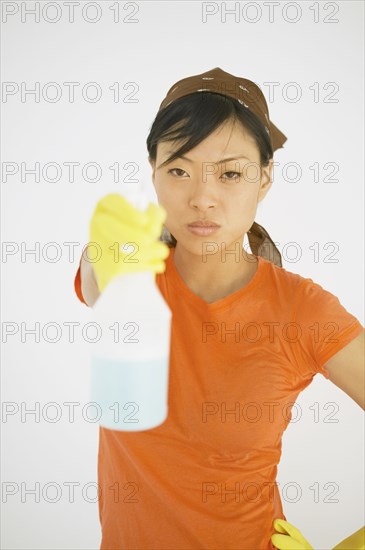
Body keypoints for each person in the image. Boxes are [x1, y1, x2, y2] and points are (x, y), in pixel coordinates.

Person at [74, 68, 365, 550]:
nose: (202, 198)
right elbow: (97, 283)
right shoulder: (130, 278)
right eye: (179, 170)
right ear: (154, 174)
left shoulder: (303, 311)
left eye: (230, 173)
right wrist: (100, 249)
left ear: (265, 178)